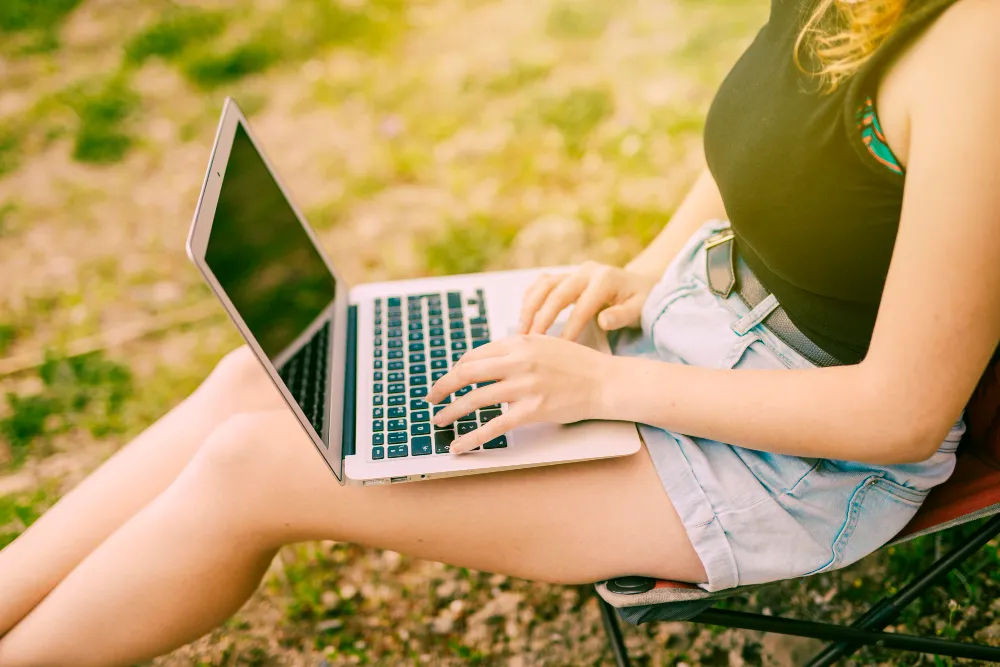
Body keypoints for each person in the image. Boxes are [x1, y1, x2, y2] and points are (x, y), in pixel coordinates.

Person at [1, 0, 998, 663]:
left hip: (796, 462)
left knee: (250, 468)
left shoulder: (976, 52)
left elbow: (899, 412)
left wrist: (603, 389)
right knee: (251, 383)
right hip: (689, 332)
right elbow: (778, 146)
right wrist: (647, 271)